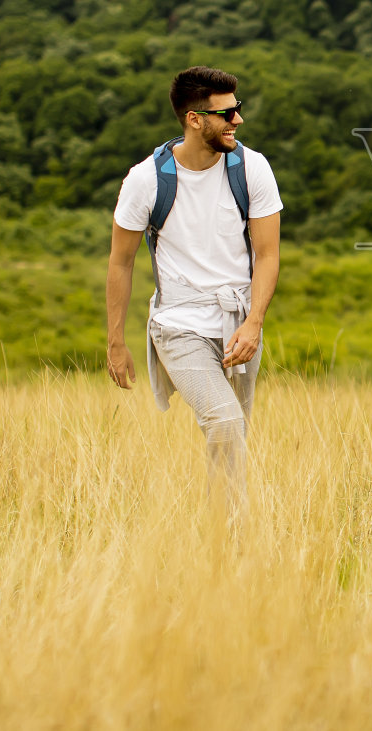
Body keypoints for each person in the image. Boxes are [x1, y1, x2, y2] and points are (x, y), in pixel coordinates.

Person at [106, 66, 282, 518]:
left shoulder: (253, 168)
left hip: (238, 320)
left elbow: (267, 255)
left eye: (238, 109)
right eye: (227, 113)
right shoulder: (146, 180)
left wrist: (254, 322)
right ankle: (233, 533)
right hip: (179, 325)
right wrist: (116, 342)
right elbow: (120, 263)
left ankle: (220, 541)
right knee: (223, 422)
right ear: (194, 119)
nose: (238, 120)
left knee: (235, 430)